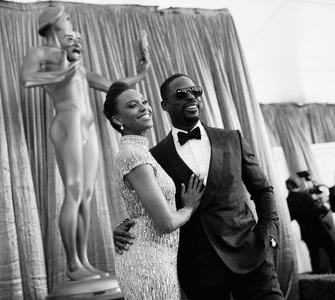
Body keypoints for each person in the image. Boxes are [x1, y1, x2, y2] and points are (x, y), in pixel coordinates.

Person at [113, 73, 284, 299]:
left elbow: (262, 190)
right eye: (181, 94)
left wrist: (268, 234)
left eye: (196, 91)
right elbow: (151, 203)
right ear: (165, 105)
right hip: (198, 268)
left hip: (250, 254)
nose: (191, 97)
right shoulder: (154, 157)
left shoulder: (232, 139)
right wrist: (125, 227)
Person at [20, 4, 149, 281]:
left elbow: (111, 84)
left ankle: (83, 262)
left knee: (86, 196)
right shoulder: (42, 53)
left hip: (87, 127)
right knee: (74, 192)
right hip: (67, 124)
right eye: (67, 18)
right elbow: (28, 78)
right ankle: (72, 265)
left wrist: (139, 74)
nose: (71, 24)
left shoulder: (77, 62)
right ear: (55, 21)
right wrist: (65, 72)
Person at [103, 81, 204, 299]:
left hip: (166, 258)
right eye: (132, 105)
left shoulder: (144, 152)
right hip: (149, 264)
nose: (143, 108)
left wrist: (127, 223)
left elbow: (142, 205)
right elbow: (166, 222)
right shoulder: (133, 154)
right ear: (118, 120)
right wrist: (189, 207)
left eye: (144, 101)